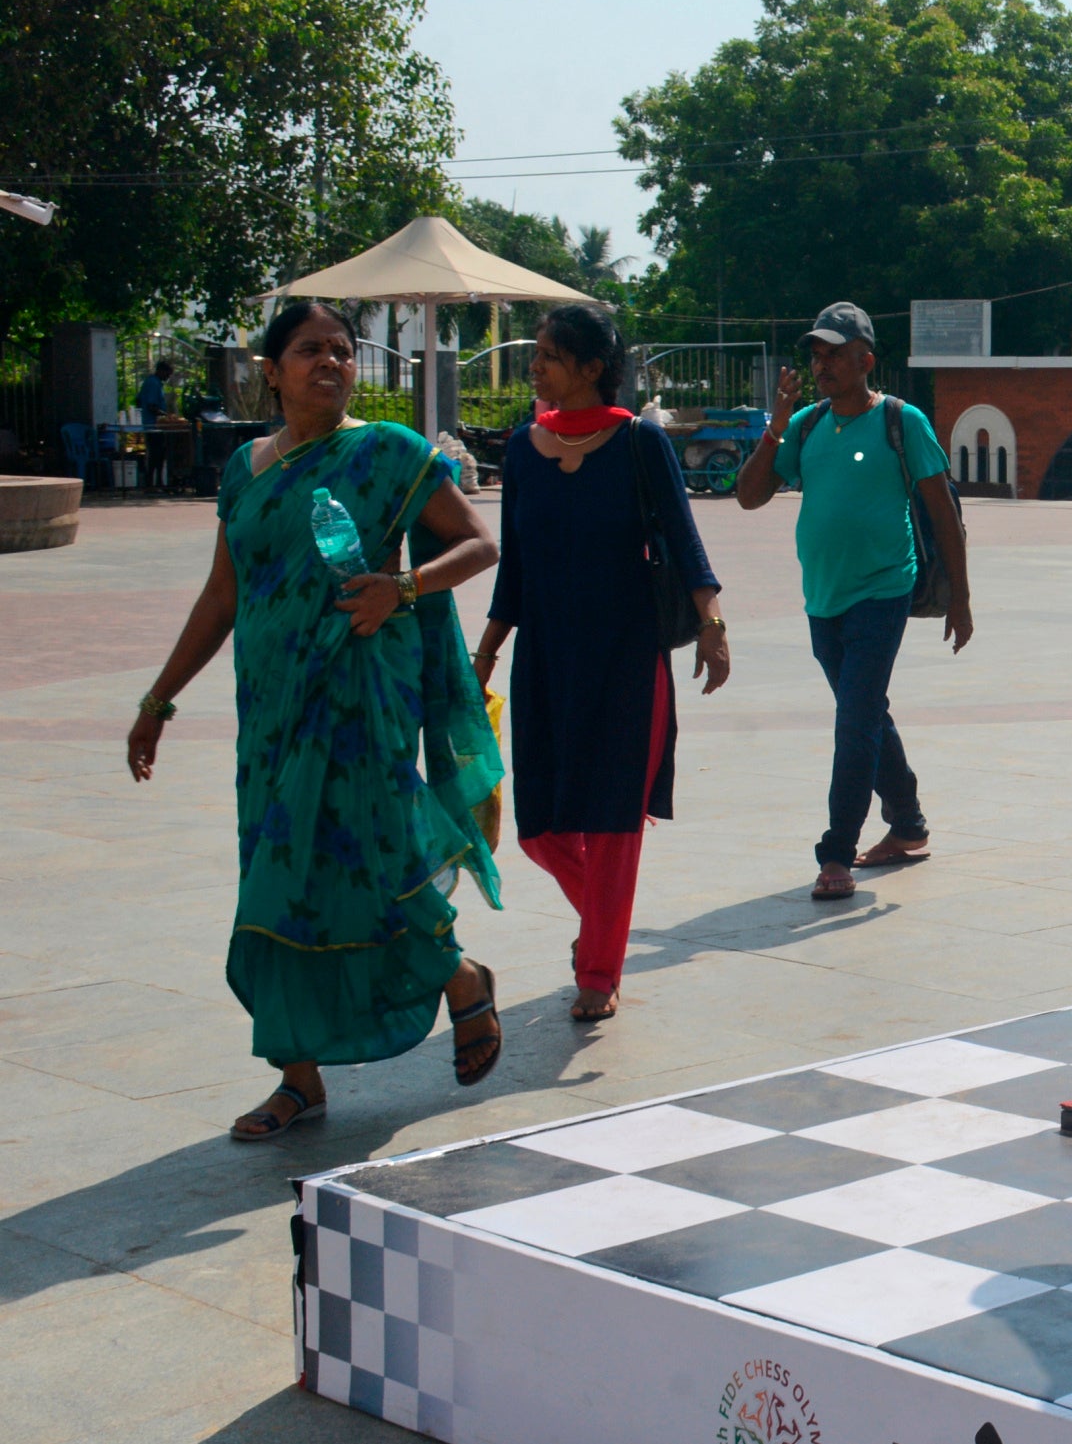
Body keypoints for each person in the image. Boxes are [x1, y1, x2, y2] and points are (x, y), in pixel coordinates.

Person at [126, 301, 508, 1141]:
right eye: (309, 350)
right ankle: (298, 1078)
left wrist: (400, 588)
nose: (330, 361)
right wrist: (158, 699)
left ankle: (458, 975)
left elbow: (479, 545)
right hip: (268, 709)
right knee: (277, 875)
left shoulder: (387, 452)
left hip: (358, 697)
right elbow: (223, 594)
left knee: (370, 855)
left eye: (342, 349)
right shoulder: (244, 470)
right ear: (271, 370)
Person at [474, 303, 731, 1022]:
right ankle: (604, 925)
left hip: (627, 657)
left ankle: (599, 968)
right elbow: (514, 569)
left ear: (591, 369)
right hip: (546, 660)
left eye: (550, 355)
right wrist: (487, 651)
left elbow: (684, 541)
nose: (536, 367)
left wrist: (711, 626)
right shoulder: (522, 451)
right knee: (541, 826)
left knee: (614, 820)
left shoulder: (641, 443)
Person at [736, 302, 971, 900]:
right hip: (823, 598)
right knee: (866, 714)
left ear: (866, 360)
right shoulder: (808, 425)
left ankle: (836, 851)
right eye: (817, 355)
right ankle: (909, 824)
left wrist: (961, 598)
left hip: (883, 591)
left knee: (854, 720)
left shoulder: (901, 420)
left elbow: (942, 510)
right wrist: (777, 424)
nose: (822, 365)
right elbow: (749, 496)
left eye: (835, 354)